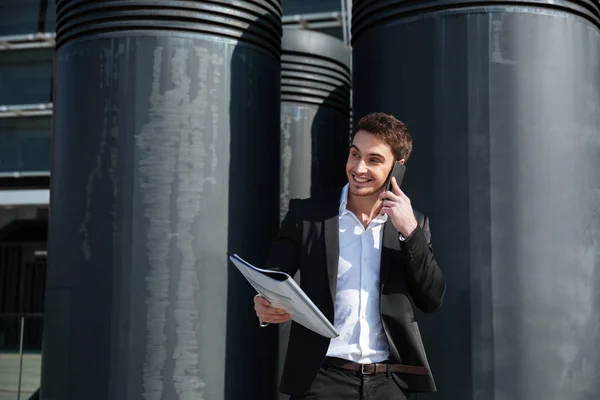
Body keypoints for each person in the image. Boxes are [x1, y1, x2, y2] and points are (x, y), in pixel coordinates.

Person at [255, 112, 446, 399]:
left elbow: (432, 298)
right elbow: (271, 278)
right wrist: (264, 305)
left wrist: (410, 231)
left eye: (374, 159)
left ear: (398, 168)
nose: (359, 167)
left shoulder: (413, 224)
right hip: (322, 380)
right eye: (355, 154)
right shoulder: (307, 215)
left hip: (389, 382)